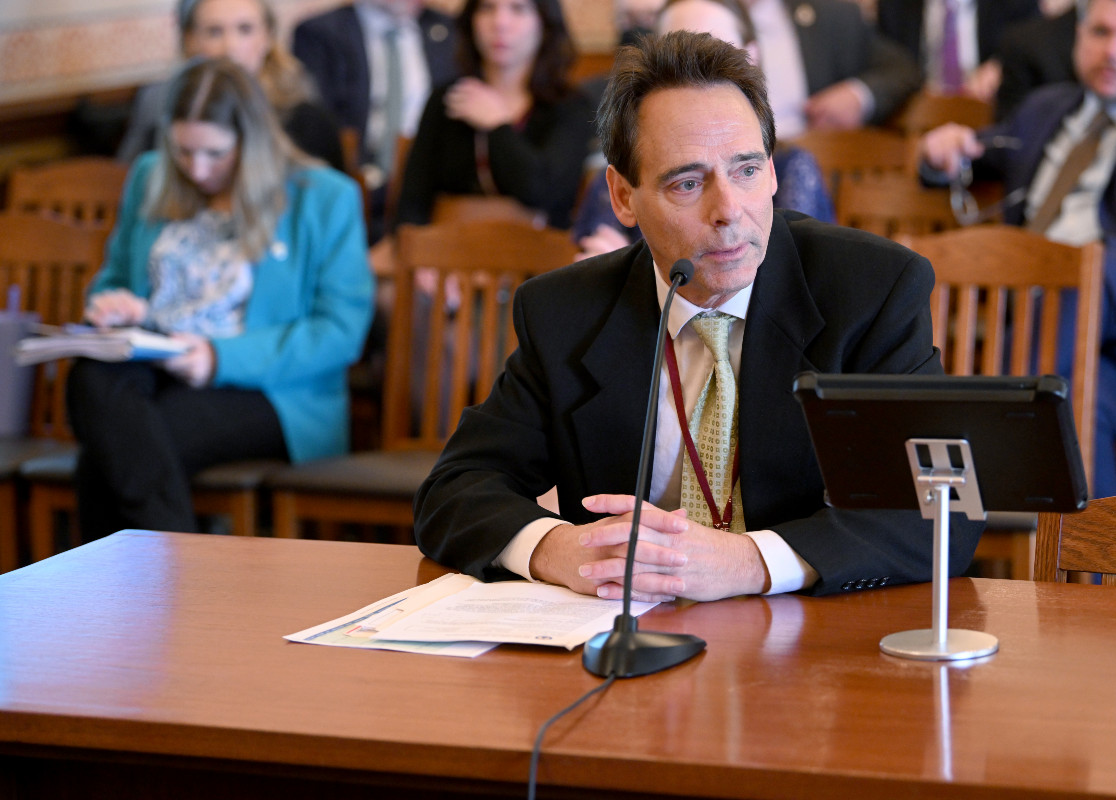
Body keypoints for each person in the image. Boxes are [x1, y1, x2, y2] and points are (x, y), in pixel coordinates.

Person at [413, 31, 982, 602]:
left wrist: (749, 562)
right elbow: (456, 490)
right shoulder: (566, 311)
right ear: (621, 196)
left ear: (774, 172)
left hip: (810, 651)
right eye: (688, 183)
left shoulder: (869, 289)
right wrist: (562, 549)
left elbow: (944, 510)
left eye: (747, 170)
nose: (729, 211)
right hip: (627, 644)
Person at [68, 58, 373, 540]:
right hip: (156, 363)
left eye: (215, 153)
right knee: (90, 375)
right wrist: (117, 306)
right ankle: (176, 576)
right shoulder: (151, 175)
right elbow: (112, 279)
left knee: (106, 456)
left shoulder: (323, 196)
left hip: (271, 389)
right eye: (183, 151)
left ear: (251, 143)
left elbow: (339, 332)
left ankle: (143, 592)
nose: (197, 168)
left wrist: (216, 358)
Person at [920, 0, 1116, 499]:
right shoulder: (1044, 108)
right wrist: (939, 153)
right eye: (1100, 32)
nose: (1112, 50)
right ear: (1078, 38)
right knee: (1068, 407)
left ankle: (967, 438)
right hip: (1079, 342)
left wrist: (1085, 259)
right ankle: (1092, 574)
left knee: (1092, 273)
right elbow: (970, 155)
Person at [573, 0, 835, 260]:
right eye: (676, 56)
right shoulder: (623, 175)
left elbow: (789, 275)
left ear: (751, 56)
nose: (694, 75)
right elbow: (594, 263)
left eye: (714, 54)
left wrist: (633, 268)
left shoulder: (793, 169)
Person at [392, 0, 593, 230]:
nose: (500, 23)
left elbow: (546, 193)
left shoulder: (570, 105)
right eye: (487, 8)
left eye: (518, 9)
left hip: (541, 259)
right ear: (471, 21)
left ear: (544, 23)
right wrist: (420, 258)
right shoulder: (446, 99)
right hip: (446, 256)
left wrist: (498, 125)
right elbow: (412, 204)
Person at [118, 0, 345, 170]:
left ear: (267, 36)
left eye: (245, 29)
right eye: (214, 32)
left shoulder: (304, 116)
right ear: (189, 40)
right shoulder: (160, 103)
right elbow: (134, 183)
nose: (230, 47)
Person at [292, 0, 459, 192]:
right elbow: (315, 125)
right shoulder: (319, 33)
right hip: (353, 178)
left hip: (428, 183)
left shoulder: (449, 29)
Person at [741, 0, 921, 136]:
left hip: (819, 164)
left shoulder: (832, 15)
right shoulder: (715, 21)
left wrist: (858, 94)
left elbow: (902, 67)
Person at [875, 0, 1041, 101]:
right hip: (920, 119)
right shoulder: (894, 5)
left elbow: (1035, 51)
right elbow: (889, 63)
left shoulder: (1017, 4)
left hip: (988, 118)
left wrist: (1001, 66)